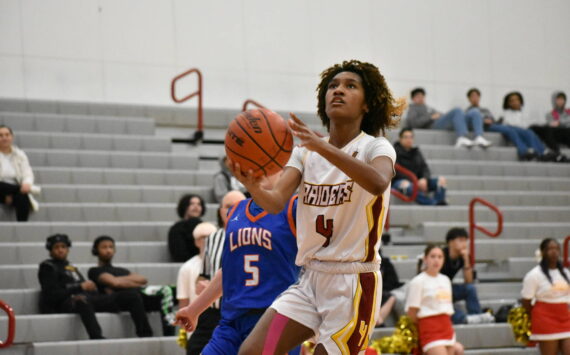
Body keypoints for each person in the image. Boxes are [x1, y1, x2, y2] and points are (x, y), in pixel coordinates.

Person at [228, 60, 401, 355]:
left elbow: (378, 182)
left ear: (367, 104)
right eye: (333, 86)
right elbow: (276, 202)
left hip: (353, 283)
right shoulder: (305, 153)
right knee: (253, 352)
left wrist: (323, 147)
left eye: (350, 86)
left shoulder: (376, 148)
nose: (339, 91)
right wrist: (253, 185)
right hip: (311, 279)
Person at [175, 175, 301, 355]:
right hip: (232, 322)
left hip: (274, 319)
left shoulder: (296, 207)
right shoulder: (236, 211)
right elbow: (229, 269)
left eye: (267, 165)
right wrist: (194, 310)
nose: (261, 170)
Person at [185, 190, 246, 355]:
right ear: (220, 210)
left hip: (240, 309)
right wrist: (200, 283)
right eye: (227, 206)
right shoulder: (212, 238)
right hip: (212, 311)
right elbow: (204, 272)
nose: (232, 210)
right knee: (193, 348)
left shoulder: (253, 236)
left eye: (237, 205)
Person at [89, 235, 174, 336]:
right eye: (104, 247)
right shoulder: (94, 271)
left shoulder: (121, 270)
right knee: (133, 295)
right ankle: (145, 333)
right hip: (119, 300)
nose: (108, 250)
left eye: (111, 247)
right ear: (96, 250)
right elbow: (115, 283)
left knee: (169, 291)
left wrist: (118, 281)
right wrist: (124, 282)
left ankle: (169, 333)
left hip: (137, 296)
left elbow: (142, 280)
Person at [38, 234, 106, 339]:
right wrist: (80, 287)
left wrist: (91, 288)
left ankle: (141, 333)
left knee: (126, 296)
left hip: (80, 298)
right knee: (82, 300)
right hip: (62, 304)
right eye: (56, 247)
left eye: (63, 247)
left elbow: (81, 284)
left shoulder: (70, 266)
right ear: (50, 251)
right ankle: (97, 337)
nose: (60, 250)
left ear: (68, 249)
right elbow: (51, 295)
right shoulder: (47, 267)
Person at [406, 245, 464, 355]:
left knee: (459, 349)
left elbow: (447, 307)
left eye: (440, 257)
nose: (436, 260)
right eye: (433, 256)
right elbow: (411, 313)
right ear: (425, 259)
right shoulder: (418, 281)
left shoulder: (445, 280)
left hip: (447, 327)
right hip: (429, 329)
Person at [466, 88, 546, 161]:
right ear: (469, 99)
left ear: (479, 97)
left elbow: (493, 120)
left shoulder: (485, 109)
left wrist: (491, 120)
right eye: (472, 96)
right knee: (509, 129)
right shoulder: (469, 111)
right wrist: (483, 121)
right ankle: (523, 151)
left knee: (528, 132)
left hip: (493, 124)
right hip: (484, 127)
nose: (475, 98)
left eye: (476, 96)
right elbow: (470, 122)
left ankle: (542, 152)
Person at [521, 238, 570, 355]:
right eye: (550, 249)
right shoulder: (534, 275)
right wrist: (535, 318)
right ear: (542, 252)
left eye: (556, 249)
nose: (554, 252)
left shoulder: (566, 273)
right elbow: (526, 301)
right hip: (545, 319)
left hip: (566, 318)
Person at [405, 88, 492, 149]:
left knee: (474, 112)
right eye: (418, 97)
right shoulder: (412, 109)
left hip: (442, 121)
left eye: (422, 96)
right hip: (433, 125)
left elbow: (442, 115)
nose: (421, 99)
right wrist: (430, 117)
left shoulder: (428, 107)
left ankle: (479, 137)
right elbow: (413, 123)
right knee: (457, 110)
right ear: (413, 99)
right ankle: (461, 137)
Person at [440, 228, 494, 325]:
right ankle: (463, 318)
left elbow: (469, 281)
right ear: (450, 242)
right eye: (460, 240)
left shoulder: (463, 256)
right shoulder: (440, 255)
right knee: (450, 311)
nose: (464, 243)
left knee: (470, 289)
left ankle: (476, 316)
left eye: (465, 240)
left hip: (449, 288)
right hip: (437, 291)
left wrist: (466, 260)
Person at [502, 92, 568, 162]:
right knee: (534, 131)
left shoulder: (525, 111)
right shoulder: (507, 113)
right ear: (508, 103)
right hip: (524, 129)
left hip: (531, 127)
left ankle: (554, 151)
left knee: (547, 129)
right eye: (512, 101)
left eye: (517, 100)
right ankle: (550, 152)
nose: (515, 102)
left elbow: (535, 121)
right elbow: (512, 125)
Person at [393, 128, 447, 205]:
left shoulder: (416, 152)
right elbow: (396, 172)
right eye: (406, 137)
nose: (409, 139)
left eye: (411, 137)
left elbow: (425, 168)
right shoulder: (394, 152)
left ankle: (438, 201)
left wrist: (424, 179)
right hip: (400, 182)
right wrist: (415, 182)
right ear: (400, 139)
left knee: (441, 180)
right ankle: (433, 203)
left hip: (418, 181)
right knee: (406, 185)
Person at [0, 125, 40, 221]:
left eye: (7, 135)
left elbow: (27, 172)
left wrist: (27, 183)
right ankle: (20, 189)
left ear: (12, 137)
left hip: (14, 189)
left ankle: (22, 227)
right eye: (1, 135)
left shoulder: (19, 154)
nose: (4, 138)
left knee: (22, 196)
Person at [177, 222, 218, 310]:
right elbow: (183, 302)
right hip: (198, 318)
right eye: (204, 237)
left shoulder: (224, 263)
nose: (209, 240)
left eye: (212, 236)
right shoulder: (187, 267)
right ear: (196, 242)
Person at [168, 194, 207, 262]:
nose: (196, 206)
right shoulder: (176, 229)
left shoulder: (207, 227)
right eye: (191, 204)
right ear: (184, 206)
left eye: (199, 204)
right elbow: (178, 253)